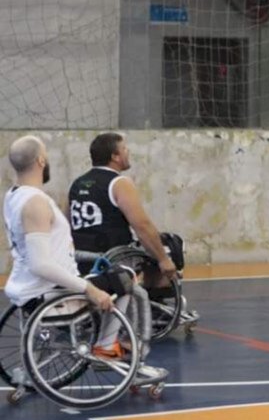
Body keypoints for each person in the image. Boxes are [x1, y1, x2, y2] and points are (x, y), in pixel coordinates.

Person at [2, 136, 165, 376]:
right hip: (50, 292)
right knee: (126, 278)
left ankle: (97, 345)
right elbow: (40, 263)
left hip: (25, 286)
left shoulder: (13, 196)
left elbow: (48, 249)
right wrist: (90, 289)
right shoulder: (36, 203)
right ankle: (107, 346)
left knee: (113, 275)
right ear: (41, 160)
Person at [68, 133, 178, 279]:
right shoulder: (119, 183)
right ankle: (152, 296)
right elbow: (142, 226)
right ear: (115, 156)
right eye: (125, 149)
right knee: (169, 246)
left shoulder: (76, 184)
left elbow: (66, 223)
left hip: (81, 259)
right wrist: (164, 259)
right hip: (114, 259)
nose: (128, 152)